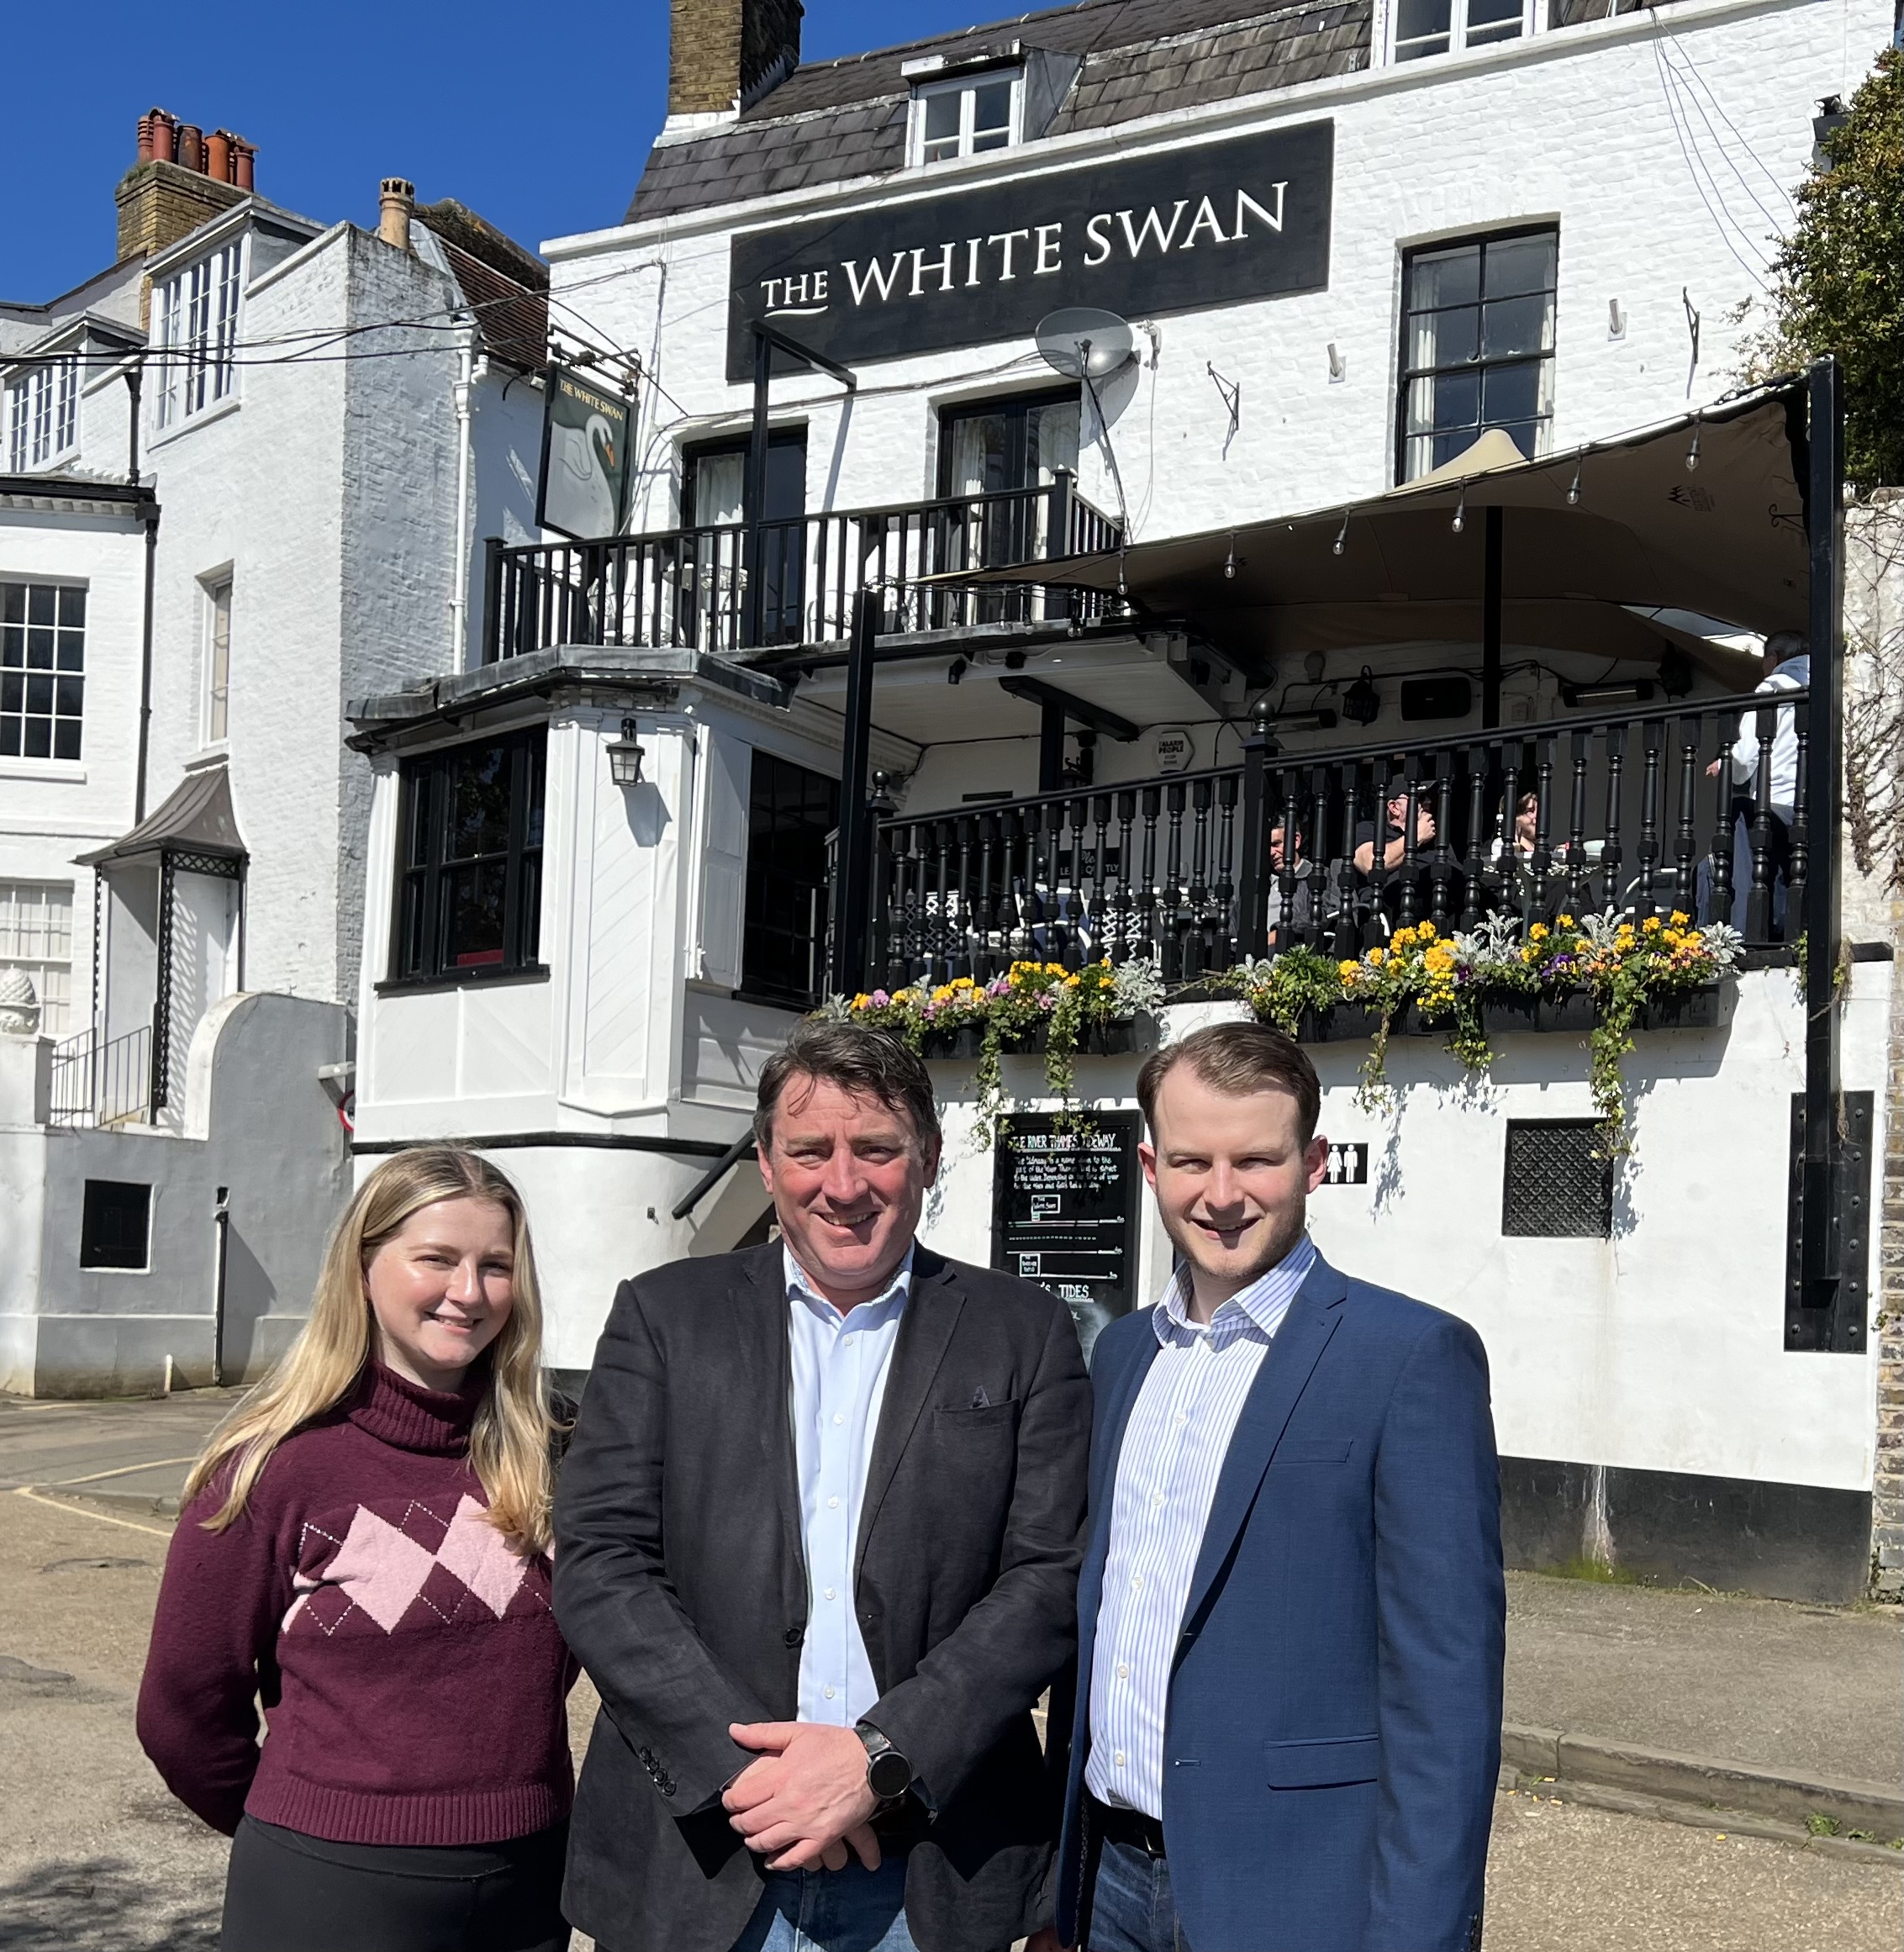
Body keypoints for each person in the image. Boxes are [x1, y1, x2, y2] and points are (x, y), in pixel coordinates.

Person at [554, 1020, 1092, 1952]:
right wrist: (753, 1779)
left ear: (926, 1157)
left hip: (930, 1861)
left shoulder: (1025, 1332)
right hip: (706, 1856)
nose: (843, 1186)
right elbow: (602, 1562)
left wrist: (881, 1759)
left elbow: (1047, 1577)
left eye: (877, 1149)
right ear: (765, 1162)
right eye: (810, 1151)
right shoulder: (663, 1317)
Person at [1052, 1022, 1505, 1952]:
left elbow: (1446, 1695)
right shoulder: (1124, 1355)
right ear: (1150, 1166)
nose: (1222, 1196)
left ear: (1314, 1163)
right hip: (1109, 1879)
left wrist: (1420, 1935)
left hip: (1293, 1888)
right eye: (1191, 1161)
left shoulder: (1410, 1358)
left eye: (1256, 1159)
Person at [138, 1147, 576, 1952]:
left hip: (528, 1885)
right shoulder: (271, 1468)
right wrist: (303, 1827)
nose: (468, 1293)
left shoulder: (554, 1452)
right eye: (436, 1260)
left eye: (495, 1265)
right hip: (326, 1890)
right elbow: (183, 1715)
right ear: (364, 1267)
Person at [1706, 629, 1807, 934]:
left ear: (1774, 658)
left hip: (1775, 799)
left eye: (1764, 661)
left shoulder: (1773, 686)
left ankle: (1743, 934)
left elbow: (1748, 755)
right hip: (1808, 803)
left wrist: (1726, 763)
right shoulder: (1828, 682)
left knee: (1745, 839)